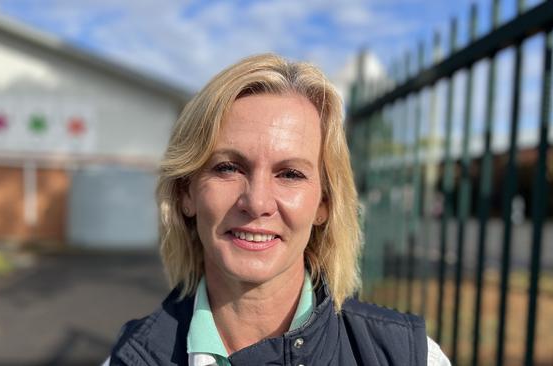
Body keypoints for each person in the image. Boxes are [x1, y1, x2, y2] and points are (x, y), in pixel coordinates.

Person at [105, 54, 450, 366]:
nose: (256, 202)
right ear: (186, 193)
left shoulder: (411, 357)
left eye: (290, 174)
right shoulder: (130, 359)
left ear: (324, 204)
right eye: (228, 167)